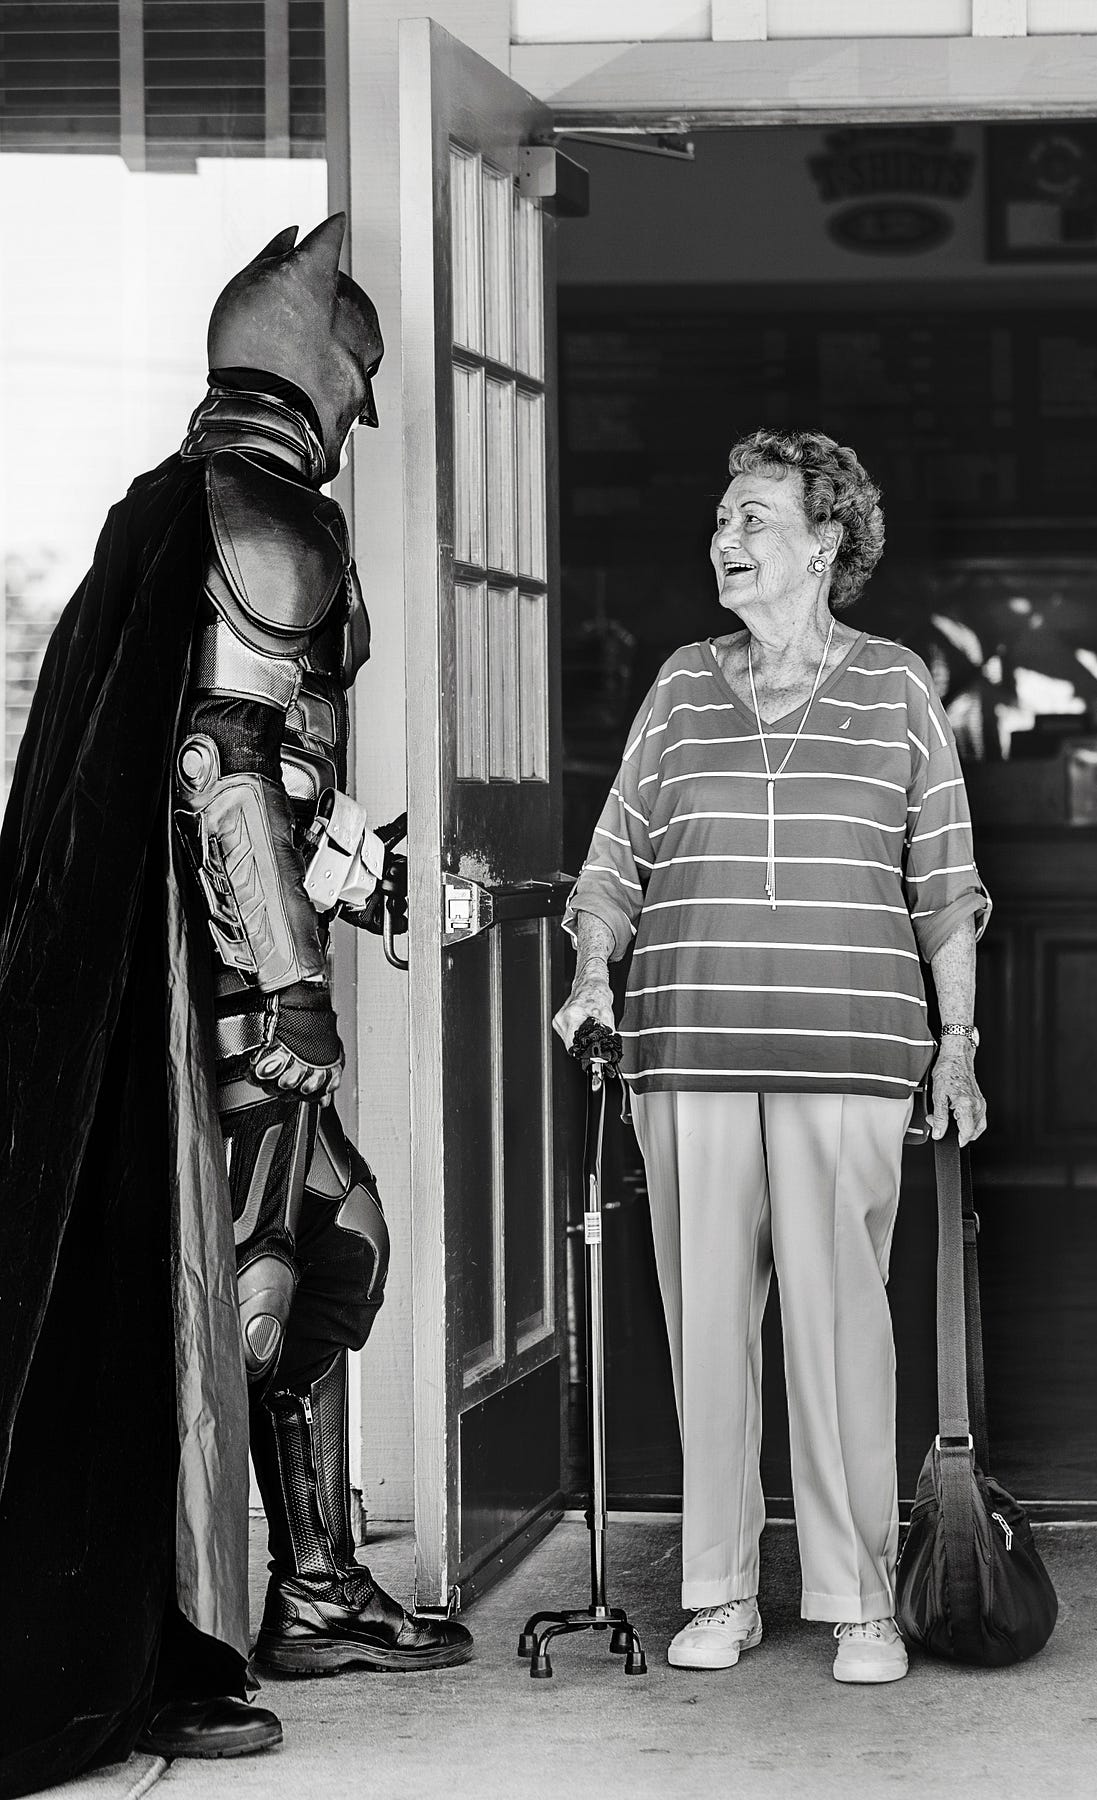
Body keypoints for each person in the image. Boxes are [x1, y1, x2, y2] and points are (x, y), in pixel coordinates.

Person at [0, 216, 469, 1798]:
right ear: (314, 368)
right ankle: (188, 1636)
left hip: (198, 985)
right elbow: (227, 775)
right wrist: (288, 989)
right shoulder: (263, 519)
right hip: (224, 1006)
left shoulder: (172, 511)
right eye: (357, 374)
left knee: (326, 1249)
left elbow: (260, 783)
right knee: (260, 1284)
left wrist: (362, 890)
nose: (361, 408)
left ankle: (312, 1587)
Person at [555, 427, 988, 1686]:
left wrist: (957, 1047)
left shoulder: (896, 688)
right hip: (687, 1049)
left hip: (850, 1053)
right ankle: (722, 1590)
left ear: (826, 543)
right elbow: (612, 864)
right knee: (707, 1332)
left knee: (842, 1328)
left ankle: (861, 1601)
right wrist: (592, 975)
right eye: (720, 518)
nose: (726, 539)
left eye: (754, 517)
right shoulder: (681, 687)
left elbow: (947, 888)